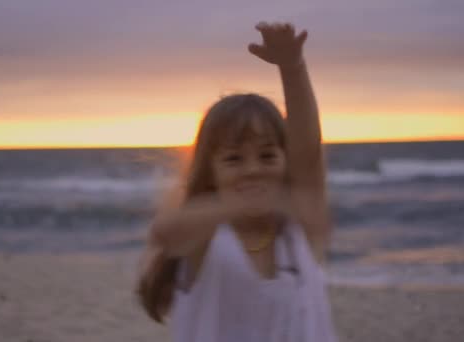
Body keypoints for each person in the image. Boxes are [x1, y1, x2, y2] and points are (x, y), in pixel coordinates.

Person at [136, 22, 337, 342]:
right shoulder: (206, 239)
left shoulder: (298, 231)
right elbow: (165, 231)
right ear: (210, 170)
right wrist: (234, 205)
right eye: (233, 159)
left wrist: (292, 67)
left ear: (286, 160)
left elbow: (309, 152)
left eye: (267, 155)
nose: (253, 169)